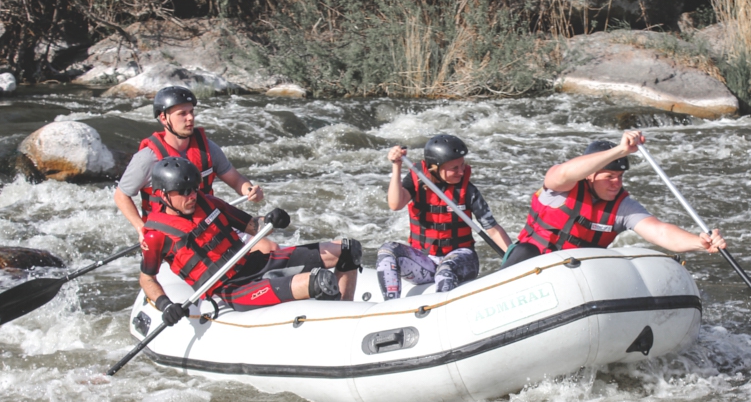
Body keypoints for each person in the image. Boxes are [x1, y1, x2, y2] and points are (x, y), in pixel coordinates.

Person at [140, 158, 362, 325]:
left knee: (348, 250)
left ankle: (346, 317)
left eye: (194, 189)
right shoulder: (155, 235)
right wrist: (165, 305)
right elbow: (146, 278)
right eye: (183, 191)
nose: (191, 196)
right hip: (232, 288)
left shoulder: (208, 203)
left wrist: (271, 220)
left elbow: (251, 226)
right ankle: (335, 327)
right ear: (162, 194)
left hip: (255, 263)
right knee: (319, 282)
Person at [503, 130, 725, 266]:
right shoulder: (561, 188)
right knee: (525, 251)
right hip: (534, 261)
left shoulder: (623, 207)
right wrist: (620, 150)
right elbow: (562, 173)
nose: (616, 183)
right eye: (609, 176)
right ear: (590, 175)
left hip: (577, 272)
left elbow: (660, 231)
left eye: (620, 177)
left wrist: (700, 243)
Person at [114, 85, 266, 243]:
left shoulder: (207, 148)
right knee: (261, 246)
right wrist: (141, 229)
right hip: (171, 234)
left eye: (191, 112)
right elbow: (121, 196)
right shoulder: (147, 157)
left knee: (268, 245)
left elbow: (235, 180)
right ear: (164, 118)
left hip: (206, 223)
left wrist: (249, 190)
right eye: (182, 114)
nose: (190, 118)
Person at [377, 134, 512, 299]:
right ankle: (392, 308)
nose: (461, 171)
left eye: (462, 165)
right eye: (454, 168)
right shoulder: (417, 180)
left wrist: (513, 258)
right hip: (426, 260)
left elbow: (493, 229)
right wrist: (396, 166)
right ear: (435, 167)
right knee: (387, 251)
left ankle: (441, 312)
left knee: (445, 271)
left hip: (462, 258)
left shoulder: (468, 191)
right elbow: (395, 204)